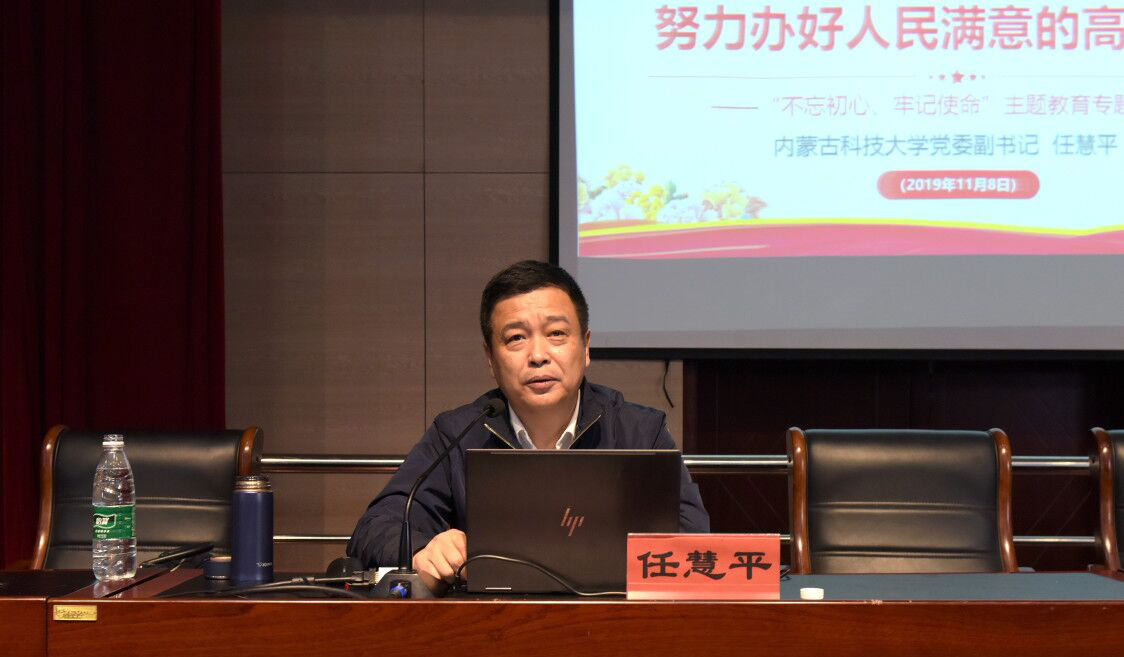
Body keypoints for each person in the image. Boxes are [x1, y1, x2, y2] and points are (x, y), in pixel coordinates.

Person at [347, 260, 709, 592]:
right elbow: (375, 528)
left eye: (556, 334)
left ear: (585, 347)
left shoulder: (640, 432)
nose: (537, 356)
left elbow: (692, 539)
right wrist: (425, 549)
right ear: (490, 359)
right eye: (516, 338)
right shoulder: (458, 433)